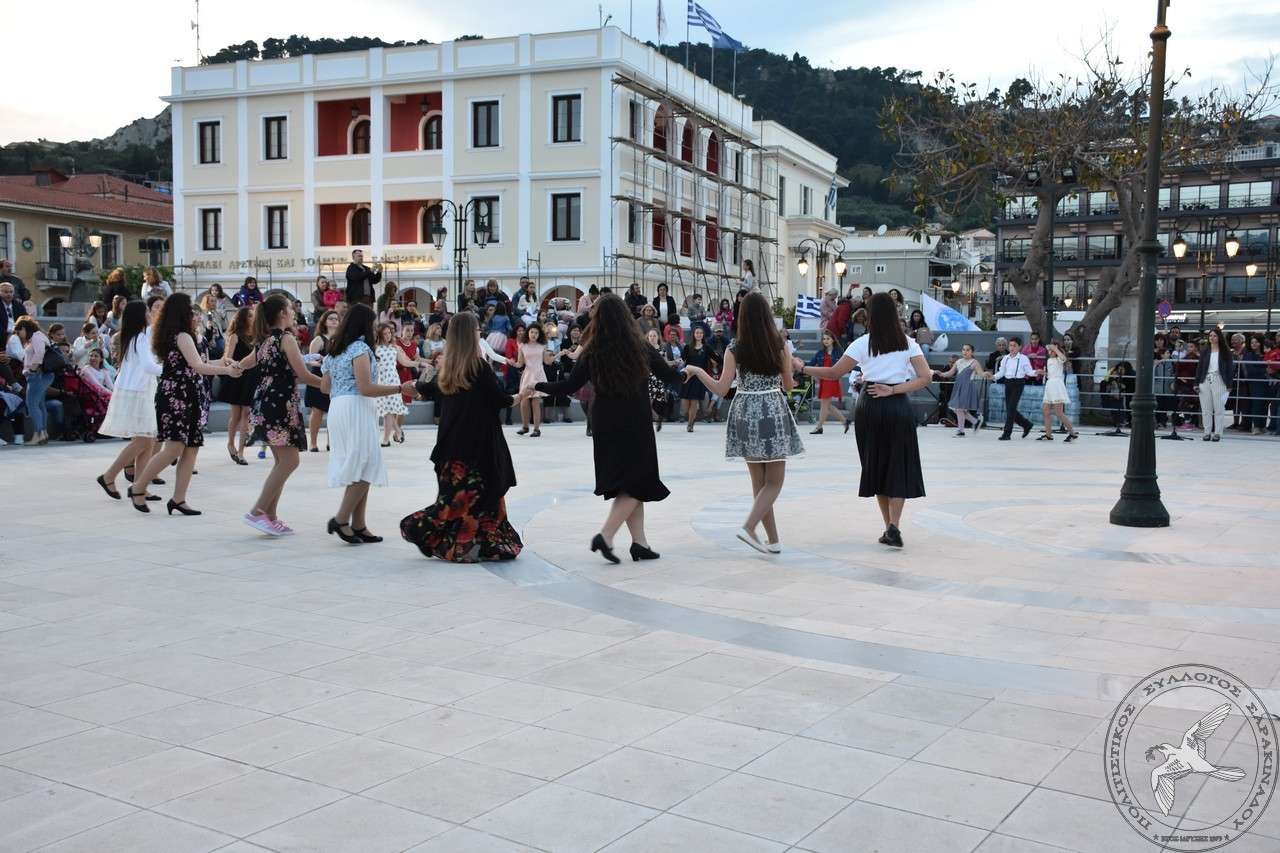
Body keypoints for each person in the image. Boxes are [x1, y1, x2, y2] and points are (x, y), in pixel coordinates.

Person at [535, 293, 683, 563]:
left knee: (629, 483)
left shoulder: (593, 350)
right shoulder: (639, 346)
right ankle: (605, 535)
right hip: (635, 421)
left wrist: (538, 385)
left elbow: (569, 386)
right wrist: (689, 373)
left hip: (604, 422)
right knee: (638, 480)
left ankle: (640, 543)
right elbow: (669, 375)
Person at [796, 292, 932, 547]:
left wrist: (802, 367)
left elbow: (834, 372)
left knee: (877, 465)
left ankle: (889, 527)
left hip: (870, 405)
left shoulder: (863, 343)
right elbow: (926, 377)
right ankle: (894, 526)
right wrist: (894, 389)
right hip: (898, 406)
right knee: (899, 466)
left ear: (870, 315)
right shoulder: (908, 343)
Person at [401, 311, 522, 562]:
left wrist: (415, 386)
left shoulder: (447, 369)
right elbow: (501, 400)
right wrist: (522, 396)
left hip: (452, 446)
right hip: (477, 446)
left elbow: (424, 388)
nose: (480, 333)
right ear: (470, 335)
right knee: (471, 498)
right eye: (477, 330)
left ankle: (470, 542)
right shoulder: (478, 367)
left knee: (459, 498)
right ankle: (418, 527)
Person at [688, 292, 802, 553]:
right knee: (774, 482)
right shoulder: (779, 345)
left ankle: (773, 540)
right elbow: (788, 385)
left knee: (759, 484)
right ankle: (749, 527)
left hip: (743, 409)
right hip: (771, 408)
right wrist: (793, 370)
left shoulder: (734, 348)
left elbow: (721, 388)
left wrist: (697, 371)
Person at [128, 294, 241, 515]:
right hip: (177, 397)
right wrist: (227, 370)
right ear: (182, 313)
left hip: (184, 395)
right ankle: (138, 486)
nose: (195, 315)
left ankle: (178, 499)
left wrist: (223, 362)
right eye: (190, 310)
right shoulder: (182, 336)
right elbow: (198, 366)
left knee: (191, 448)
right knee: (174, 449)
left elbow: (196, 364)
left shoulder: (173, 335)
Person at [236, 294, 322, 534]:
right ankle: (257, 511)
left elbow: (247, 362)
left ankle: (270, 515)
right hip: (279, 405)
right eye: (290, 309)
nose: (293, 312)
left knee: (282, 462)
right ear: (283, 313)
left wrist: (232, 366)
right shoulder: (286, 338)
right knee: (289, 461)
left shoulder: (265, 340)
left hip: (266, 404)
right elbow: (303, 375)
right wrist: (329, 385)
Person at [319, 303, 404, 544]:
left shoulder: (334, 350)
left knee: (363, 464)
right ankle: (341, 519)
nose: (375, 327)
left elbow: (324, 387)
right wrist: (400, 388)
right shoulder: (359, 348)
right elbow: (365, 387)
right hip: (356, 406)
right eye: (373, 322)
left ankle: (359, 524)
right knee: (367, 462)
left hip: (338, 407)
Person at [215, 307, 256, 465]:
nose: (253, 318)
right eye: (250, 316)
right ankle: (231, 443)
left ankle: (241, 452)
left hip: (252, 377)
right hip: (237, 377)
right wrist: (238, 364)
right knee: (236, 415)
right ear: (243, 318)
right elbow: (227, 358)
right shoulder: (235, 336)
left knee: (246, 413)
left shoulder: (257, 336)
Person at [14, 318, 53, 445]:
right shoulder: (38, 336)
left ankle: (38, 435)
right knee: (40, 405)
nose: (19, 335)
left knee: (32, 404)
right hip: (40, 374)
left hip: (36, 375)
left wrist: (32, 369)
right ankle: (43, 433)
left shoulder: (36, 336)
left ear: (24, 328)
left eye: (19, 332)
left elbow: (40, 352)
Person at [987, 336, 1035, 440]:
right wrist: (993, 377)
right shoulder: (1005, 358)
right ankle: (1026, 424)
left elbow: (1029, 372)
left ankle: (1007, 433)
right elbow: (1001, 372)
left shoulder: (1023, 358)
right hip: (1008, 383)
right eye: (1010, 345)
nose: (1012, 348)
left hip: (1018, 383)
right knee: (1010, 409)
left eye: (1014, 346)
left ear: (1020, 347)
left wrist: (1036, 372)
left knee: (1011, 408)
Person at [306, 310, 339, 452]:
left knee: (334, 412)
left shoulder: (341, 339)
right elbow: (309, 359)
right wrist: (324, 362)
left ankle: (331, 442)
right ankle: (313, 443)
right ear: (324, 321)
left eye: (336, 319)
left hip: (335, 379)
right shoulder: (319, 339)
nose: (334, 321)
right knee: (317, 412)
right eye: (331, 318)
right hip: (319, 377)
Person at [933, 343, 982, 436]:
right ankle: (975, 422)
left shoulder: (974, 362)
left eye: (967, 350)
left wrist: (986, 374)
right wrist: (941, 374)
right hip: (959, 386)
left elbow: (981, 373)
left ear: (972, 352)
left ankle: (961, 430)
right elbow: (950, 373)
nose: (965, 352)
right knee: (958, 410)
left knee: (959, 409)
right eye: (963, 349)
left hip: (968, 387)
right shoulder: (958, 362)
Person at [807, 329, 850, 435]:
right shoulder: (820, 353)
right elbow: (811, 364)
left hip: (832, 380)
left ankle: (819, 427)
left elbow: (846, 364)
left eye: (828, 339)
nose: (825, 341)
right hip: (824, 380)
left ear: (833, 340)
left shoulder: (839, 352)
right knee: (827, 405)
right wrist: (802, 367)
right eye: (824, 339)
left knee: (824, 404)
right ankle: (845, 421)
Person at [512, 322, 551, 436]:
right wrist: (513, 363)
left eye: (536, 333)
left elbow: (547, 362)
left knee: (535, 402)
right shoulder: (522, 345)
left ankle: (536, 429)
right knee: (523, 401)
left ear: (539, 334)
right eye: (532, 332)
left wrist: (556, 355)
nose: (534, 334)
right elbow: (520, 363)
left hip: (538, 374)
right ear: (528, 333)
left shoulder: (542, 345)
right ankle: (525, 427)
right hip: (528, 374)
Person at [373, 323, 409, 446]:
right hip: (380, 380)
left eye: (389, 333)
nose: (388, 335)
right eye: (385, 333)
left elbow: (405, 362)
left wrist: (419, 364)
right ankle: (397, 431)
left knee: (388, 411)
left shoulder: (395, 347)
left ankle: (386, 439)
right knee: (385, 410)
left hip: (392, 379)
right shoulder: (374, 348)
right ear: (379, 335)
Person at [1036, 340, 1078, 441]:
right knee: (1045, 410)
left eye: (1052, 350)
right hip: (1050, 385)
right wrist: (1043, 373)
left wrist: (1055, 349)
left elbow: (1063, 358)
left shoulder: (1059, 359)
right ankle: (1048, 434)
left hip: (1057, 386)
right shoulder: (1049, 360)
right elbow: (1051, 374)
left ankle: (1072, 433)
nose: (1049, 352)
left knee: (1059, 412)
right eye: (1049, 350)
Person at [1196, 327, 1233, 442]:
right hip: (1205, 381)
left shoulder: (1226, 352)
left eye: (1214, 336)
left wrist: (1229, 384)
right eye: (1210, 336)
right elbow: (1199, 368)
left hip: (1220, 380)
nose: (1212, 338)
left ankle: (1217, 433)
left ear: (1219, 337)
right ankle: (1207, 432)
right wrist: (1196, 383)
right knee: (1206, 409)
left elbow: (1230, 369)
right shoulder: (1205, 351)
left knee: (1219, 408)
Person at [679, 324, 713, 431]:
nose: (699, 334)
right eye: (697, 333)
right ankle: (690, 417)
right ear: (693, 334)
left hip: (699, 377)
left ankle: (690, 424)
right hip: (688, 376)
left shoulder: (706, 348)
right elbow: (682, 360)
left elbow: (716, 358)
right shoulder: (688, 347)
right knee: (685, 405)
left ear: (703, 335)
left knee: (694, 401)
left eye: (701, 333)